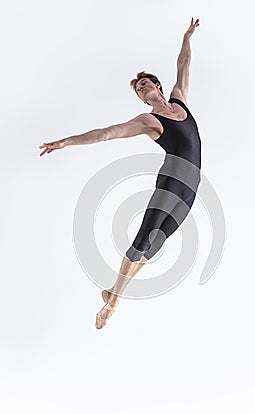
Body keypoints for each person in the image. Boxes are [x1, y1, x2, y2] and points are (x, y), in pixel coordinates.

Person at [39, 17, 201, 330]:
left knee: (154, 245)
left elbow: (184, 62)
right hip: (171, 180)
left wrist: (187, 36)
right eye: (139, 90)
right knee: (143, 239)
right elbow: (108, 133)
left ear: (158, 86)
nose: (143, 90)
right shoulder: (148, 121)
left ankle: (113, 293)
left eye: (146, 84)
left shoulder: (180, 97)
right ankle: (113, 303)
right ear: (142, 98)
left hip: (192, 185)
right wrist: (65, 142)